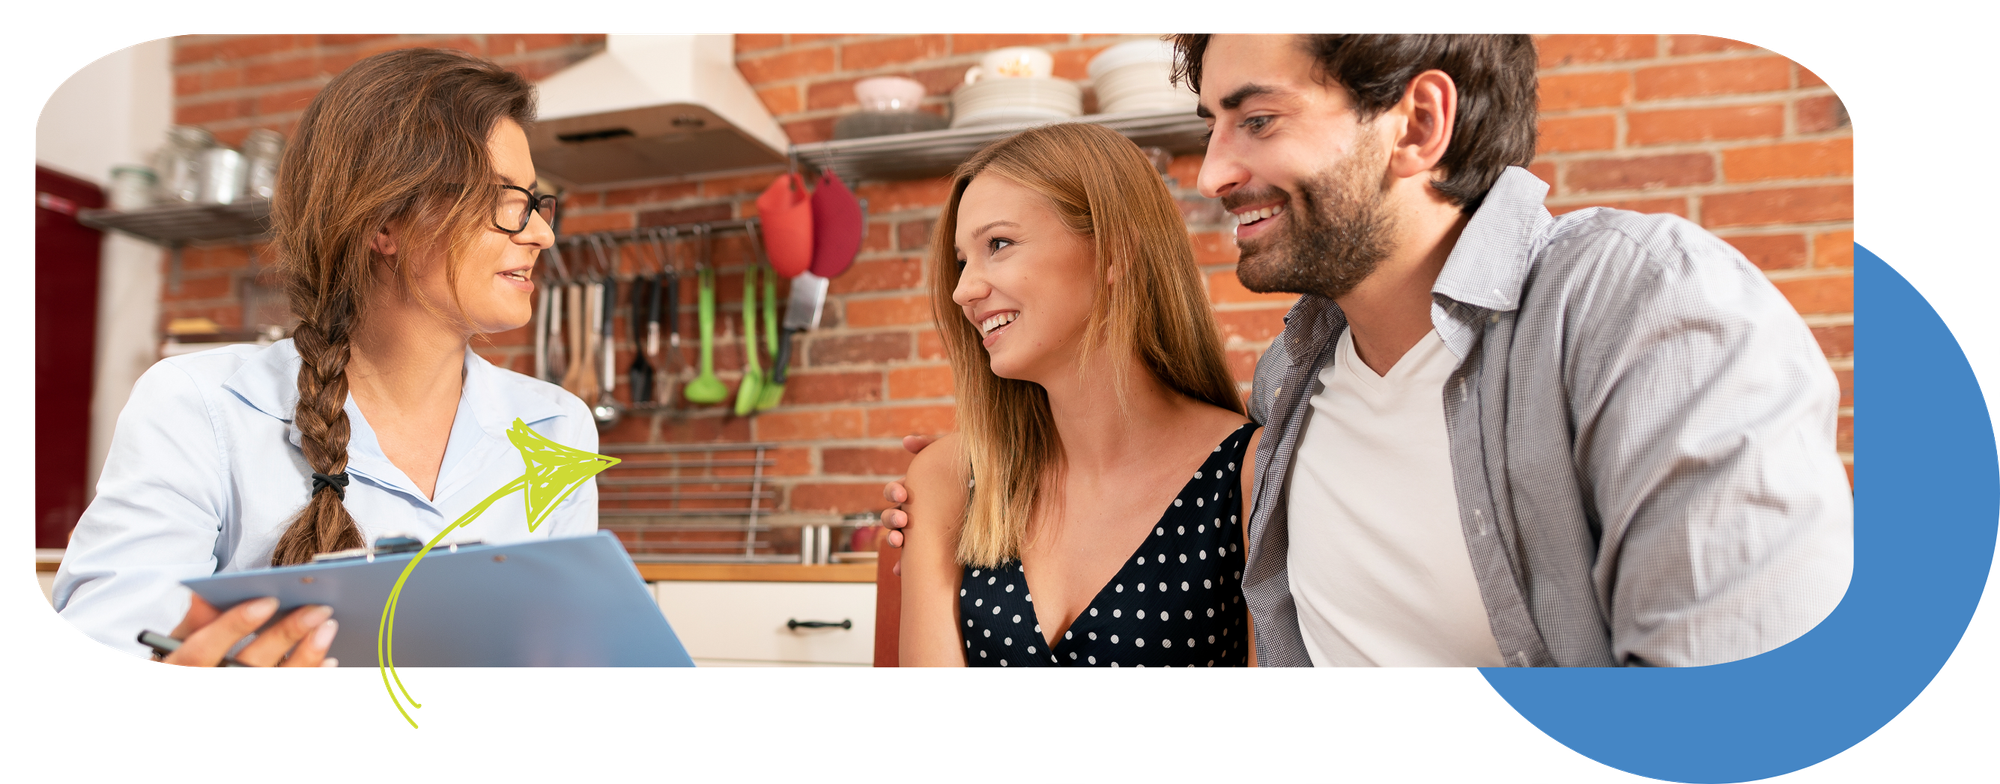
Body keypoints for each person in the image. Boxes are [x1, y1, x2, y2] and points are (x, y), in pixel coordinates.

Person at [883, 32, 1852, 667]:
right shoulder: (1293, 396)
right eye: (1210, 124)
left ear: (1418, 124)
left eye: (1256, 120)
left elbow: (1732, 727)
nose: (1214, 170)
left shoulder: (1642, 307)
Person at [50, 48, 596, 667]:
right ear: (385, 220)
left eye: (535, 200)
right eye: (506, 200)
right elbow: (117, 622)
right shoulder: (197, 403)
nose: (541, 233)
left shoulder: (560, 426)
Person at [899, 123, 1259, 667]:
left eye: (998, 244)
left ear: (1114, 253)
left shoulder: (1249, 474)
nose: (962, 289)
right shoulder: (948, 479)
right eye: (961, 261)